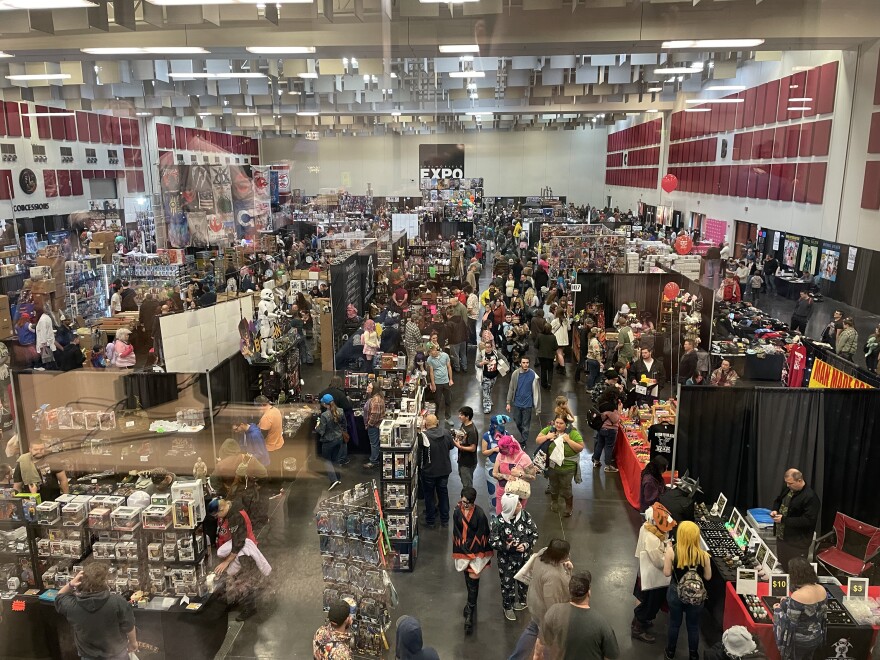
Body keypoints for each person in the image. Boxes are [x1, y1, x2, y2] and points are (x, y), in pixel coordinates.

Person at [55, 563, 138, 660]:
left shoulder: (71, 605)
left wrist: (71, 584)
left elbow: (59, 596)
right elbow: (129, 627)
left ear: (81, 582)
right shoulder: (118, 602)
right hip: (117, 655)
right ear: (104, 582)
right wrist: (133, 643)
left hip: (88, 656)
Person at [509, 539, 573, 660]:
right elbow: (553, 606)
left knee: (532, 628)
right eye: (566, 554)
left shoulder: (542, 553)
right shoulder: (553, 577)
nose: (568, 556)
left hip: (534, 602)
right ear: (559, 557)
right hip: (544, 612)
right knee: (550, 640)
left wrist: (567, 568)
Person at [542, 571, 620, 660]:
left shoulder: (553, 611)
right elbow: (611, 656)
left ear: (569, 591)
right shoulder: (602, 624)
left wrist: (537, 655)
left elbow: (543, 641)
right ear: (589, 592)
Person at [663, 520, 711, 660]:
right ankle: (693, 654)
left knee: (674, 624)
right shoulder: (704, 555)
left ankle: (670, 652)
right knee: (693, 626)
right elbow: (708, 577)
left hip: (675, 592)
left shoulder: (672, 552)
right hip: (696, 595)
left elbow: (666, 573)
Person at [490, 492, 539, 621]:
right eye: (517, 504)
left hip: (524, 558)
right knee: (507, 584)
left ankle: (523, 601)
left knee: (524, 581)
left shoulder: (525, 516)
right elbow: (493, 541)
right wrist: (507, 547)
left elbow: (534, 533)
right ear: (510, 507)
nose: (520, 505)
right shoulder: (498, 522)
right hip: (506, 561)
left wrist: (526, 545)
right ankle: (508, 607)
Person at [452, 486, 493, 635]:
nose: (464, 505)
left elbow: (483, 534)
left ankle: (469, 611)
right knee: (467, 579)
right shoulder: (457, 512)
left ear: (473, 502)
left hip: (476, 553)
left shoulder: (480, 514)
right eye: (463, 502)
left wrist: (473, 552)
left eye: (467, 502)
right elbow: (456, 531)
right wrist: (463, 548)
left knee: (473, 579)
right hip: (463, 551)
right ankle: (471, 605)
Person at [772, 558, 828, 660]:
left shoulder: (798, 595)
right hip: (817, 637)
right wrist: (788, 601)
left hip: (801, 641)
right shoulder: (821, 589)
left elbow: (789, 623)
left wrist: (778, 610)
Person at [770, 468, 820, 570]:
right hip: (782, 538)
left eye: (790, 483)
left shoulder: (811, 497)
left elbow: (808, 521)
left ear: (799, 480)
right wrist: (775, 510)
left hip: (797, 543)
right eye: (787, 483)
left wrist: (784, 520)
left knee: (795, 571)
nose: (788, 485)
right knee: (783, 566)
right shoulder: (789, 488)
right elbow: (778, 500)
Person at [536, 415, 584, 517]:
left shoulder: (573, 433)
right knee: (553, 485)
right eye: (556, 422)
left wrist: (569, 440)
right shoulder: (549, 430)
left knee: (566, 487)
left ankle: (569, 506)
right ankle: (554, 501)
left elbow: (580, 447)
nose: (558, 425)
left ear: (566, 424)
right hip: (553, 466)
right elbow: (538, 440)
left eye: (561, 423)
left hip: (567, 467)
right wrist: (547, 437)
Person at [419, 414, 454, 529]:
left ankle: (431, 520)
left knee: (429, 496)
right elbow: (451, 446)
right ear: (437, 422)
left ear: (425, 424)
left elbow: (420, 453)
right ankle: (445, 519)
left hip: (429, 471)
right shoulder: (446, 433)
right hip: (444, 470)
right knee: (443, 494)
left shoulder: (423, 436)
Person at [506, 356, 541, 448]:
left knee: (525, 425)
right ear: (520, 363)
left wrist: (537, 407)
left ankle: (523, 442)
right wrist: (508, 402)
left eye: (527, 363)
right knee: (517, 421)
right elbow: (511, 388)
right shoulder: (515, 374)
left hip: (527, 404)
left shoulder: (533, 374)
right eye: (523, 362)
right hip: (517, 403)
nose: (525, 364)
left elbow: (537, 391)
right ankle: (523, 435)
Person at [315, 394, 344, 490]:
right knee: (335, 459)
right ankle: (338, 478)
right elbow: (344, 424)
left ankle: (333, 480)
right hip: (339, 439)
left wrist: (317, 426)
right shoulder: (340, 411)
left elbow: (321, 431)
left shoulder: (324, 415)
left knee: (327, 460)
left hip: (328, 441)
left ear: (324, 404)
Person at [481, 414, 510, 510]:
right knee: (493, 492)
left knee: (506, 491)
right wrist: (493, 450)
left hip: (505, 468)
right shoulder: (487, 436)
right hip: (491, 468)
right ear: (494, 425)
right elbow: (484, 452)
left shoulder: (507, 434)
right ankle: (494, 514)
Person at [593, 387, 622, 473]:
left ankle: (596, 461)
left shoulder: (601, 403)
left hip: (601, 428)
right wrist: (619, 409)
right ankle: (608, 466)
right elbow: (615, 420)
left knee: (599, 445)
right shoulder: (610, 407)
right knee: (608, 447)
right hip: (610, 430)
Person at [426, 345, 453, 427]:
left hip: (446, 381)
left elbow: (449, 367)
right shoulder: (430, 359)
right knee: (437, 401)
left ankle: (448, 417)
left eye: (432, 352)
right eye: (430, 353)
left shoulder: (445, 356)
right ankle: (436, 418)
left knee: (448, 400)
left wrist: (450, 379)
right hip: (437, 383)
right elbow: (431, 372)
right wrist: (433, 383)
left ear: (436, 350)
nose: (431, 354)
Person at [454, 406, 479, 488]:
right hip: (462, 459)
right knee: (463, 479)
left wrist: (460, 447)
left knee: (467, 485)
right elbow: (463, 437)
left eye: (461, 415)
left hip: (468, 462)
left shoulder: (472, 431)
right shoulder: (464, 424)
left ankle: (467, 499)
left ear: (467, 417)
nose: (459, 416)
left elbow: (473, 448)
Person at [362, 386, 385, 469]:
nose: (367, 388)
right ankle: (375, 458)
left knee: (374, 444)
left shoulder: (376, 400)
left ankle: (374, 461)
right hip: (375, 425)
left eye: (369, 387)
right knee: (375, 443)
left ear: (374, 389)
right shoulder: (376, 398)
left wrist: (369, 424)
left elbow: (375, 414)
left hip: (374, 426)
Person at [535, 321, 558, 390]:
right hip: (550, 356)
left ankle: (543, 383)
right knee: (550, 370)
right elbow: (555, 347)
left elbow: (536, 345)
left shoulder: (539, 336)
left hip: (541, 355)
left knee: (543, 369)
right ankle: (549, 383)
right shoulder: (553, 337)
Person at [550, 307, 570, 374]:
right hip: (564, 340)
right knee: (560, 353)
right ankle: (559, 365)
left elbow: (550, 328)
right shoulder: (566, 320)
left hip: (558, 339)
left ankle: (562, 368)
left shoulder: (555, 321)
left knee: (559, 353)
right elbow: (569, 328)